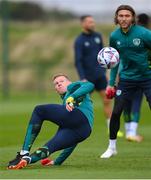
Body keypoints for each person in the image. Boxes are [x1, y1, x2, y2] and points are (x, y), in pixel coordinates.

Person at [7, 74, 94, 169]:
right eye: (56, 84)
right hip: (83, 131)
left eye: (62, 81)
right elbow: (72, 143)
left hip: (80, 117)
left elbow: (89, 85)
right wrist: (58, 161)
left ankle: (23, 153)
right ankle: (27, 160)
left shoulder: (73, 87)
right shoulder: (65, 103)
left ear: (69, 82)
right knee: (50, 146)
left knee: (39, 110)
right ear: (56, 90)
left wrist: (72, 96)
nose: (59, 84)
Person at [100, 5, 151, 158]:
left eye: (127, 16)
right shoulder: (115, 36)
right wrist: (110, 84)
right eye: (120, 15)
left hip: (147, 78)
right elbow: (113, 60)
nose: (123, 18)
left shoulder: (144, 33)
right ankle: (112, 147)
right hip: (126, 79)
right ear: (117, 18)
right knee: (116, 112)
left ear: (133, 18)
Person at [74, 14, 123, 137]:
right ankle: (76, 127)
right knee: (81, 104)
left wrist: (105, 72)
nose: (92, 24)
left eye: (93, 22)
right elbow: (78, 61)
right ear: (83, 24)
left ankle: (110, 128)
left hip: (100, 76)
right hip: (87, 78)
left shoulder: (97, 36)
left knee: (107, 100)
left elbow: (104, 55)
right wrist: (82, 77)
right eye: (90, 22)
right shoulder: (79, 41)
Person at [124, 13, 151, 142]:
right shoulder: (147, 35)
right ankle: (132, 132)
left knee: (125, 103)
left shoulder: (127, 34)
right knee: (136, 102)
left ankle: (128, 131)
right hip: (141, 75)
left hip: (125, 75)